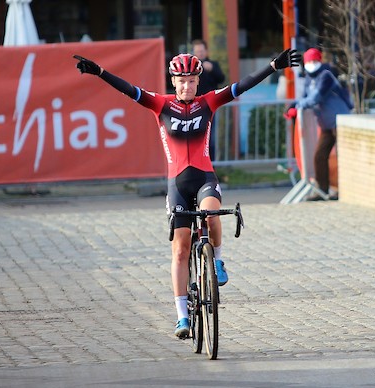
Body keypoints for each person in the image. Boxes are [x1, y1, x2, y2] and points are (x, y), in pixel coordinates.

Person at [74, 49, 300, 338]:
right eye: (181, 81)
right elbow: (129, 90)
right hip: (177, 184)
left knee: (213, 216)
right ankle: (182, 316)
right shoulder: (161, 104)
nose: (187, 86)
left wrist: (272, 66)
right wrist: (101, 72)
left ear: (197, 81)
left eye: (192, 81)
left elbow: (242, 85)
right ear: (174, 81)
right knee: (180, 248)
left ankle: (217, 261)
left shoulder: (209, 101)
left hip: (205, 177)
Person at [284, 48, 353, 201]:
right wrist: (292, 106)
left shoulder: (327, 76)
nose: (311, 64)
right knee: (319, 156)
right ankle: (322, 190)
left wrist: (299, 106)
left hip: (339, 121)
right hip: (327, 124)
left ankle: (346, 191)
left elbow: (316, 97)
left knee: (343, 158)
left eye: (314, 61)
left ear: (320, 61)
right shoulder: (309, 78)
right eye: (308, 61)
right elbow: (304, 97)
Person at [192, 39, 225, 161]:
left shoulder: (213, 64)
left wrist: (211, 69)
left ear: (206, 51)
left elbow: (221, 78)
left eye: (201, 51)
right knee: (195, 137)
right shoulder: (192, 68)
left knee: (210, 138)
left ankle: (211, 166)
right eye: (197, 51)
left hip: (210, 107)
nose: (200, 54)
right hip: (194, 107)